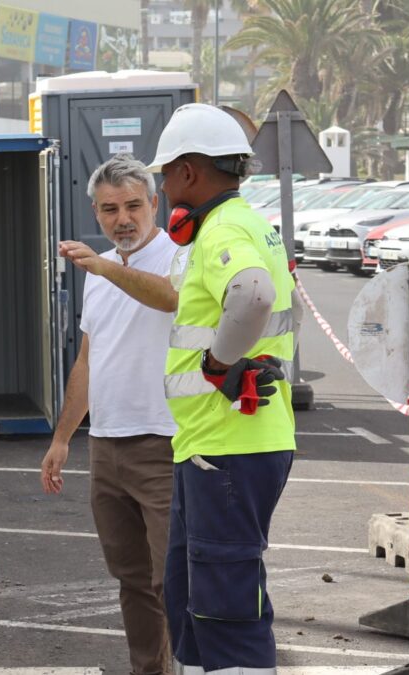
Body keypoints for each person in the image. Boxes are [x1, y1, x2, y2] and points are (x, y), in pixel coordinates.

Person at [145, 104, 296, 674]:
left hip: (230, 446)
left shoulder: (225, 229)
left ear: (188, 172)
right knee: (193, 605)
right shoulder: (249, 224)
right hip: (214, 444)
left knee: (228, 614)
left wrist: (217, 362)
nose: (161, 187)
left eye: (164, 174)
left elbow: (253, 295)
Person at [40, 154, 179, 675]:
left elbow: (170, 300)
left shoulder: (177, 256)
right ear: (96, 214)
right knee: (132, 579)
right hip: (107, 444)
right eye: (109, 209)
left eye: (133, 206)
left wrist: (104, 266)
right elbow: (88, 359)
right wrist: (61, 440)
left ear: (154, 204)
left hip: (163, 442)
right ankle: (150, 670)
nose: (122, 218)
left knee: (174, 580)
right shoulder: (97, 275)